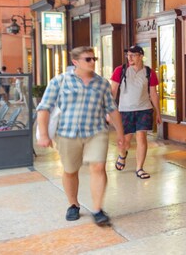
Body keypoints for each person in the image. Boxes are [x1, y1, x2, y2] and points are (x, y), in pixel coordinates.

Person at [36, 46, 127, 226]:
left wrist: (121, 134)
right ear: (75, 62)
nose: (92, 62)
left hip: (96, 131)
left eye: (94, 59)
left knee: (99, 167)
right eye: (88, 59)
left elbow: (112, 109)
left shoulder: (102, 83)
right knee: (70, 171)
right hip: (67, 134)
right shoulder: (59, 81)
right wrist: (44, 134)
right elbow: (44, 108)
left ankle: (97, 209)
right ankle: (73, 204)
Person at [110, 45, 162, 179]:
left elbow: (153, 94)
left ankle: (139, 168)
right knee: (125, 141)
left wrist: (158, 112)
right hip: (125, 110)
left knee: (141, 137)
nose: (130, 57)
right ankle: (122, 155)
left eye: (133, 55)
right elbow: (113, 91)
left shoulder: (149, 72)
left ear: (141, 56)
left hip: (144, 110)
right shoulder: (120, 70)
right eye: (128, 55)